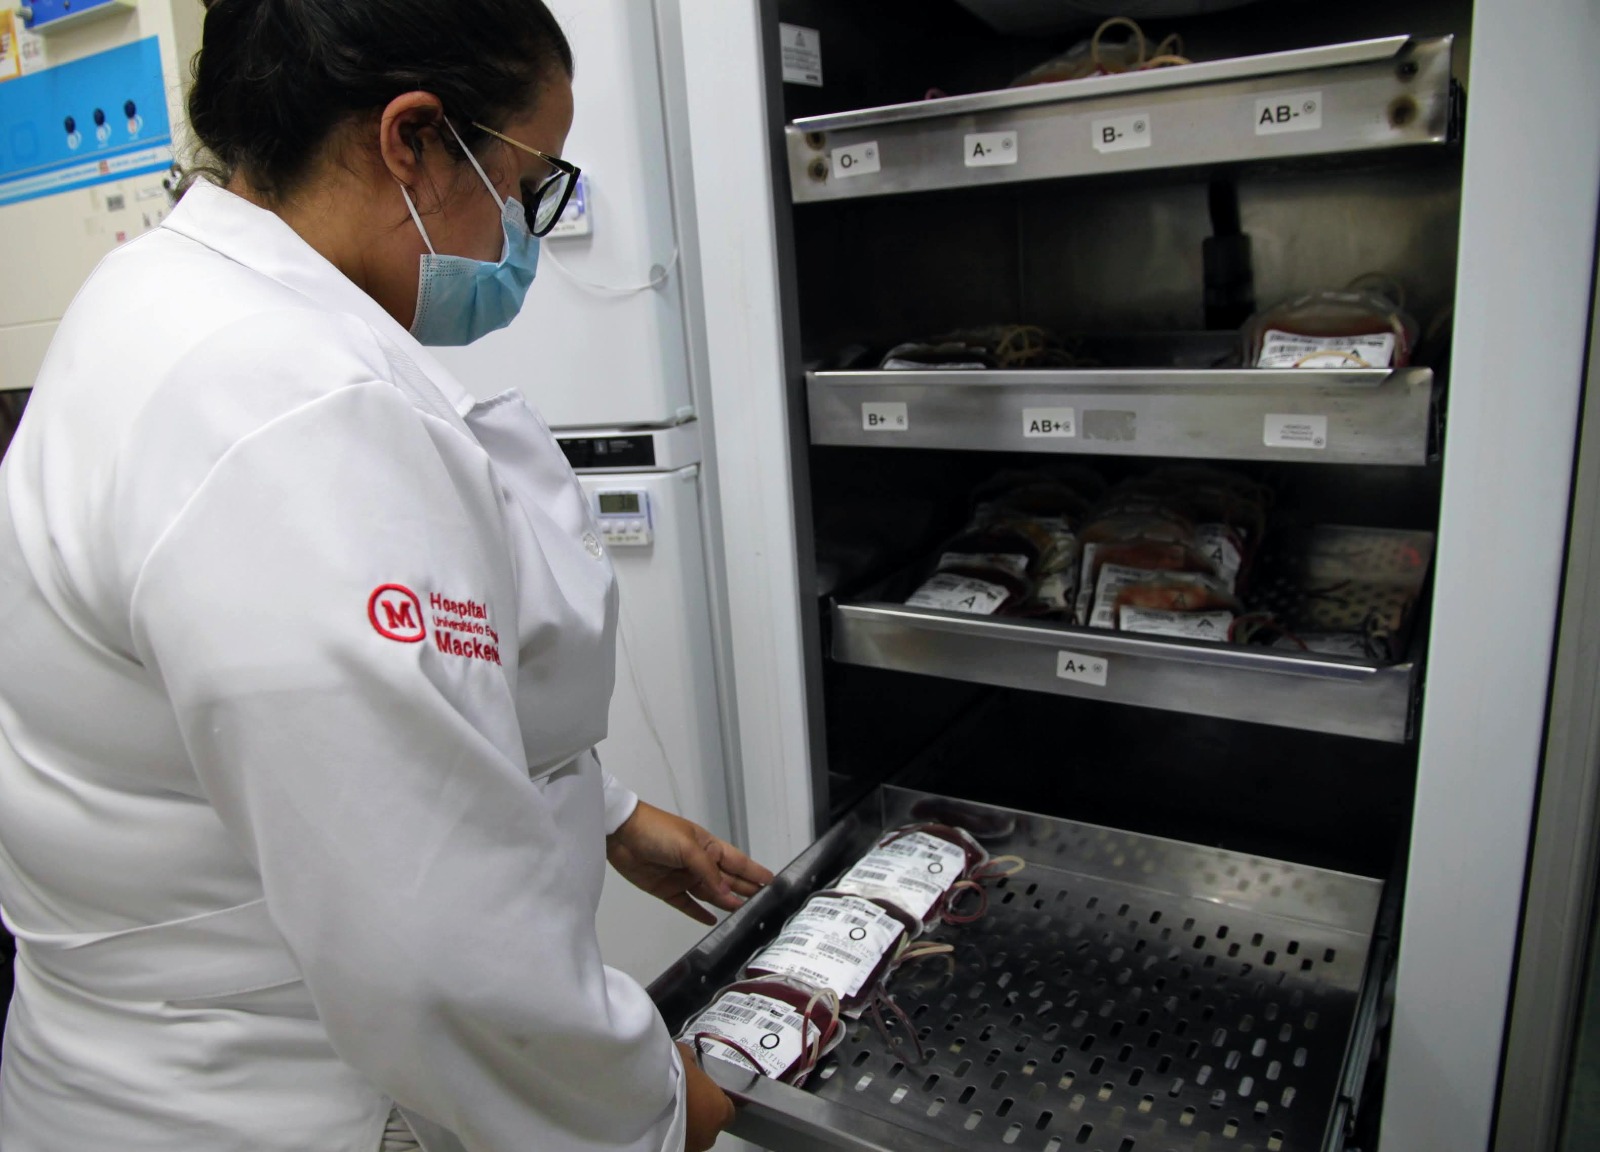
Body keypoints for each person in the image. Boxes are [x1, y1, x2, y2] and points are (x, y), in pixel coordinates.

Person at [0, 1, 765, 1149]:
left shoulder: (160, 293)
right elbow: (436, 954)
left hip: (131, 1075)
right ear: (411, 139)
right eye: (524, 185)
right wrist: (655, 1106)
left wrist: (601, 813)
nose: (520, 234)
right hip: (274, 1106)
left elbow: (322, 736)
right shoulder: (291, 411)